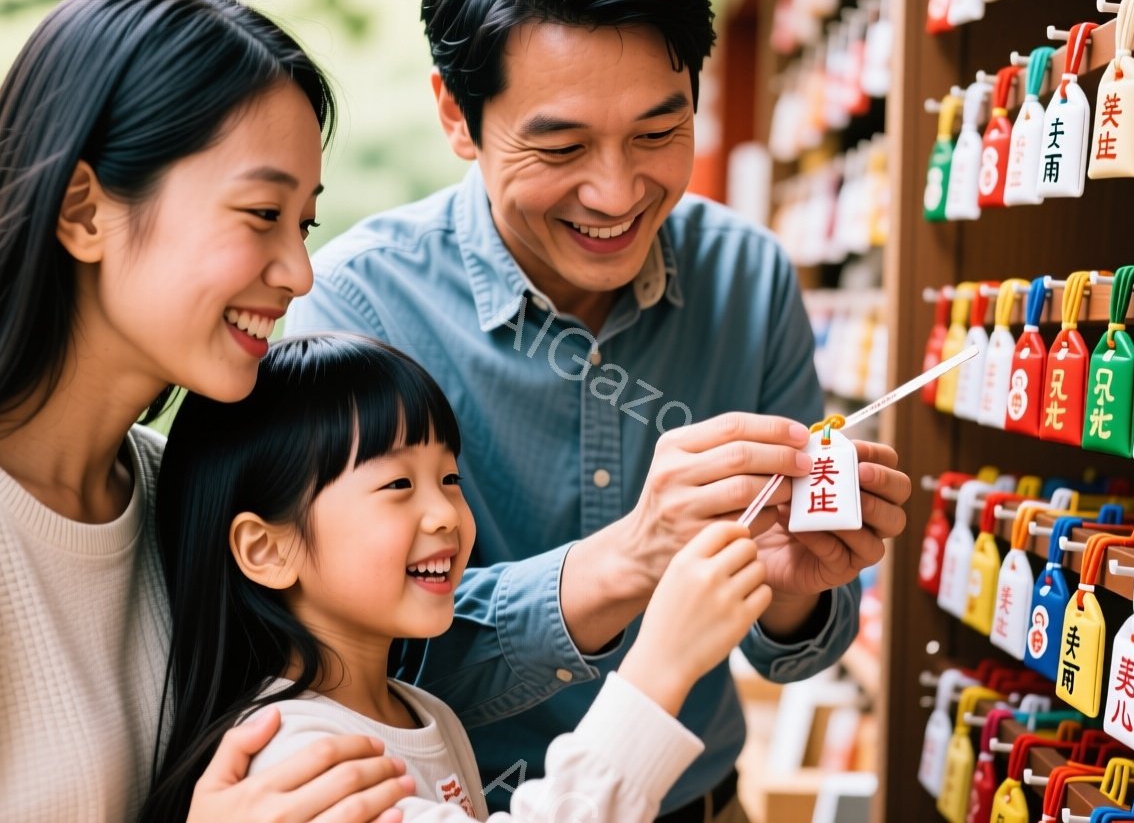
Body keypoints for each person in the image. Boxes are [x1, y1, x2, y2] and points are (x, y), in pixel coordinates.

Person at [285, 0, 912, 818]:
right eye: (562, 145)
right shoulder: (354, 310)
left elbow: (799, 647)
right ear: (456, 114)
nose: (617, 195)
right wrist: (625, 560)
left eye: (658, 133)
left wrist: (792, 594)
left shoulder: (748, 275)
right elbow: (343, 663)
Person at [0, 0, 409, 822]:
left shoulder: (182, 495)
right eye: (262, 213)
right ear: (82, 212)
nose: (298, 272)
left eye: (305, 225)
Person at [144, 332, 772, 822]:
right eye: (398, 484)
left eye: (449, 478)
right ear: (267, 549)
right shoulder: (297, 758)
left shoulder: (423, 713)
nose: (446, 513)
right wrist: (661, 665)